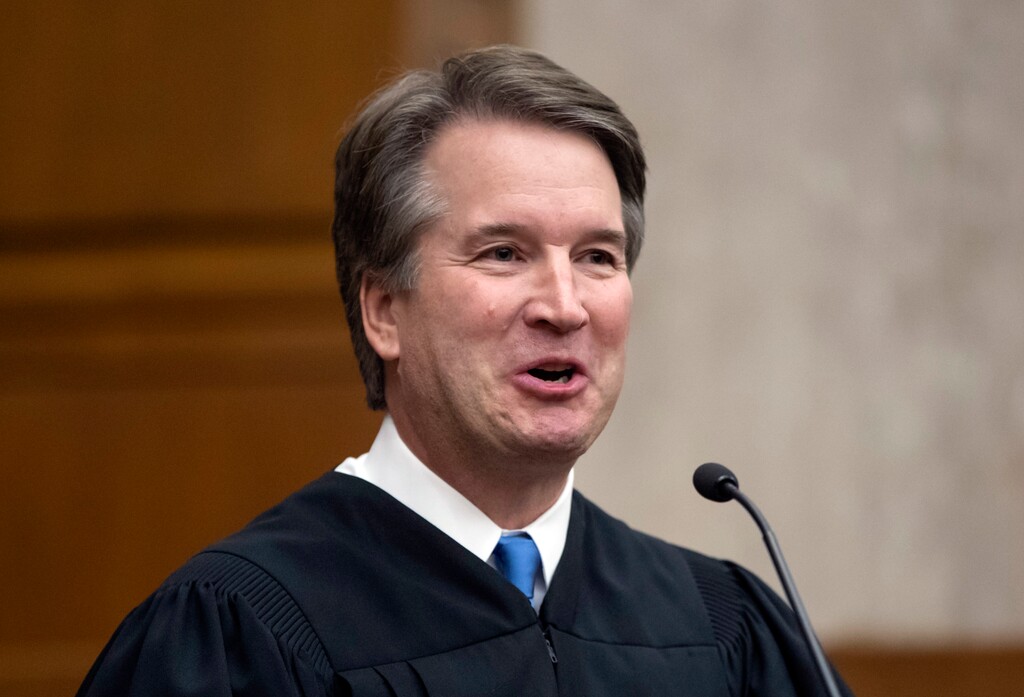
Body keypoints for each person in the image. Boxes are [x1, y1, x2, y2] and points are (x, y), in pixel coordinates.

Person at [78, 45, 851, 696]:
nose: (565, 306)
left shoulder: (722, 628)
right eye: (504, 252)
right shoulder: (238, 632)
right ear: (384, 310)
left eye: (597, 256)